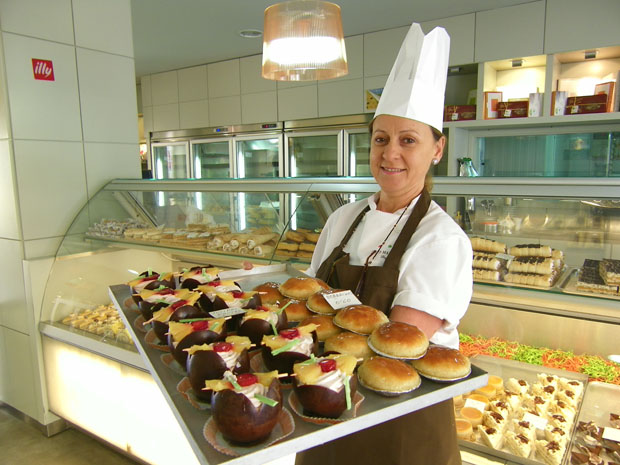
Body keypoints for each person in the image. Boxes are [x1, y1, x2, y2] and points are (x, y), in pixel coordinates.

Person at [295, 23, 473, 465]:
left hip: (398, 421)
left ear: (437, 149)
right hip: (328, 400)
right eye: (381, 139)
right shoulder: (343, 218)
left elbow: (397, 343)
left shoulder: (441, 239)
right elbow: (310, 301)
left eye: (408, 140)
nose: (390, 153)